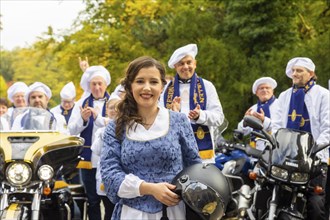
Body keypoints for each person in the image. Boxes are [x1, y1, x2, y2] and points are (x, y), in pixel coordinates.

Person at [100, 56, 202, 220]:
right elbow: (110, 174)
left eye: (153, 82)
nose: (147, 88)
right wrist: (150, 188)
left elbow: (195, 167)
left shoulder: (179, 121)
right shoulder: (116, 126)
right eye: (140, 81)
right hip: (132, 214)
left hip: (174, 213)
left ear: (162, 87)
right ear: (130, 86)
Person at [272, 57, 330, 220]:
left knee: (316, 206)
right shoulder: (284, 96)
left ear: (311, 73)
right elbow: (277, 125)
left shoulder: (324, 95)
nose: (295, 74)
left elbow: (328, 127)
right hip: (286, 158)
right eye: (293, 71)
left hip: (315, 159)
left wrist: (314, 151)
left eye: (300, 70)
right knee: (280, 200)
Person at [160, 43, 224, 163]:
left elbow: (219, 118)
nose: (185, 66)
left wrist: (200, 116)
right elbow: (157, 119)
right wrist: (172, 114)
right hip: (175, 154)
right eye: (181, 64)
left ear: (195, 64)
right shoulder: (165, 89)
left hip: (203, 157)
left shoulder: (207, 86)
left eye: (189, 62)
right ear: (175, 66)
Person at [68, 65, 112, 220]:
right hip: (89, 162)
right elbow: (71, 130)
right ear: (89, 86)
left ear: (106, 84)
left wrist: (100, 119)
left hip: (110, 161)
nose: (97, 87)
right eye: (94, 84)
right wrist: (83, 119)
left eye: (100, 83)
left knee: (110, 200)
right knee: (92, 200)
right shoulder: (81, 104)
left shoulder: (115, 101)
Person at [91, 99, 120, 220]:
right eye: (111, 107)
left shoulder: (127, 128)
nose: (114, 110)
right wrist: (106, 132)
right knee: (108, 211)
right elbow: (96, 150)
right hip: (105, 175)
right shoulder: (100, 131)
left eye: (118, 107)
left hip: (121, 174)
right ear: (107, 110)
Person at [237, 77, 278, 150]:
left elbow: (282, 127)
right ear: (256, 93)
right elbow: (242, 131)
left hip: (275, 150)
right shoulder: (253, 109)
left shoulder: (280, 105)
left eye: (267, 88)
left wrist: (264, 121)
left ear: (273, 91)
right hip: (256, 152)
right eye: (261, 88)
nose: (264, 90)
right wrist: (245, 121)